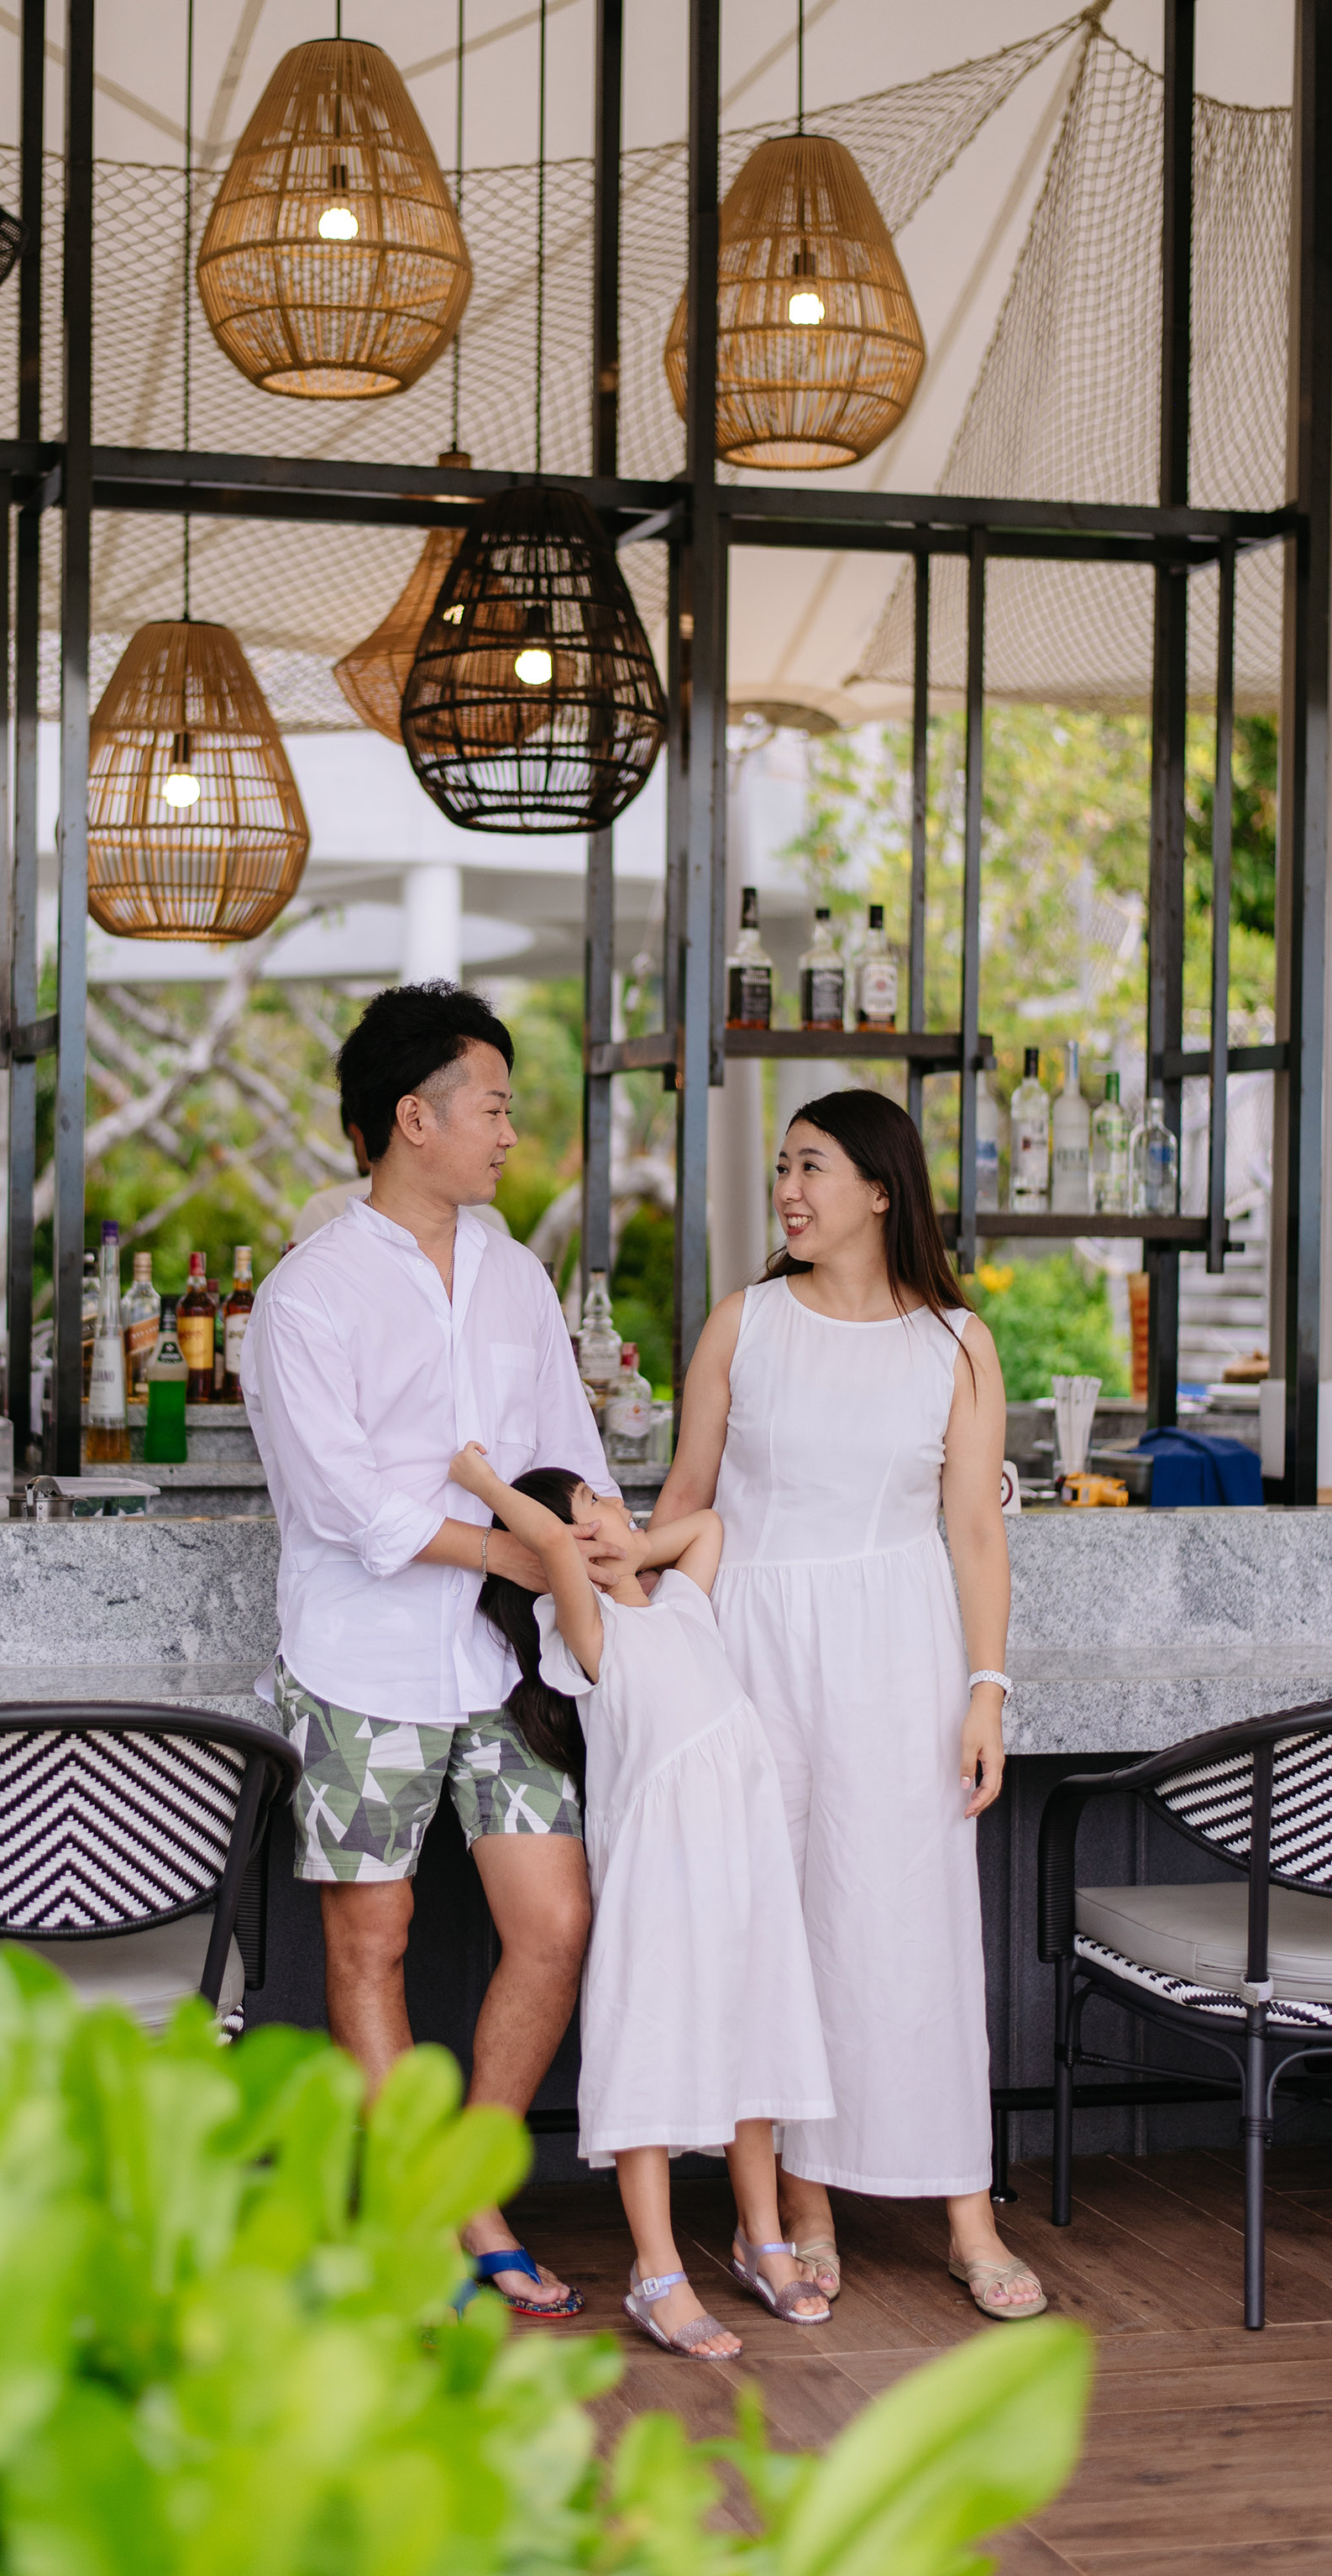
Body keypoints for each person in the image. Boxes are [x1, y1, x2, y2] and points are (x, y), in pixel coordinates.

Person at [240, 980, 614, 2317]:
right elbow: (347, 1502)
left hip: (508, 1661)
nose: (512, 1133)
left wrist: (612, 1537)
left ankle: (460, 2193)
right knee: (375, 1939)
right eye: (495, 1108)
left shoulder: (518, 1277)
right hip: (362, 1660)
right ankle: (447, 2222)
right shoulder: (308, 1295)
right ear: (415, 1118)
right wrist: (507, 1553)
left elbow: (568, 1448)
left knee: (556, 1923)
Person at [648, 1089, 1046, 2323]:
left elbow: (974, 1532)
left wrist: (986, 1690)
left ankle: (967, 2213)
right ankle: (802, 2201)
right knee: (776, 1927)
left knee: (908, 1923)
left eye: (810, 1166)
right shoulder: (743, 1322)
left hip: (898, 1652)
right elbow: (686, 1497)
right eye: (781, 1166)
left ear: (880, 1188)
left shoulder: (955, 1343)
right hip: (751, 1645)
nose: (787, 1190)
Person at [451, 1441, 835, 2357]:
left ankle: (762, 2239)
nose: (605, 1507)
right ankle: (656, 2272)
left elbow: (706, 1527)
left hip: (741, 1867)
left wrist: (630, 1545)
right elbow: (552, 1543)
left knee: (752, 2042)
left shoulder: (681, 1608)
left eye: (602, 1495)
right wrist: (486, 1486)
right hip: (659, 1879)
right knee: (652, 2054)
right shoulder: (583, 1637)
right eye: (584, 1503)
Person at [295, 1104, 511, 1241]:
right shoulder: (490, 1221)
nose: (510, 1138)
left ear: (359, 1132)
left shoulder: (324, 1209)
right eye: (494, 1112)